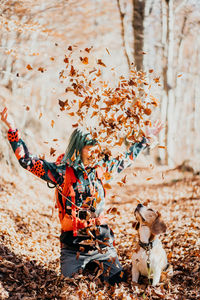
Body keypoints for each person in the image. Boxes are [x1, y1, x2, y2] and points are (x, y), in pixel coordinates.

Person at [0, 107, 163, 285]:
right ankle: (83, 266)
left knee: (117, 281)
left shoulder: (102, 169)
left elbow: (126, 159)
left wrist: (145, 140)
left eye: (96, 149)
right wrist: (12, 128)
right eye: (89, 149)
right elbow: (27, 161)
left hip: (102, 245)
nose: (94, 153)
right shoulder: (61, 171)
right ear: (78, 148)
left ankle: (98, 264)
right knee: (70, 284)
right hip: (73, 246)